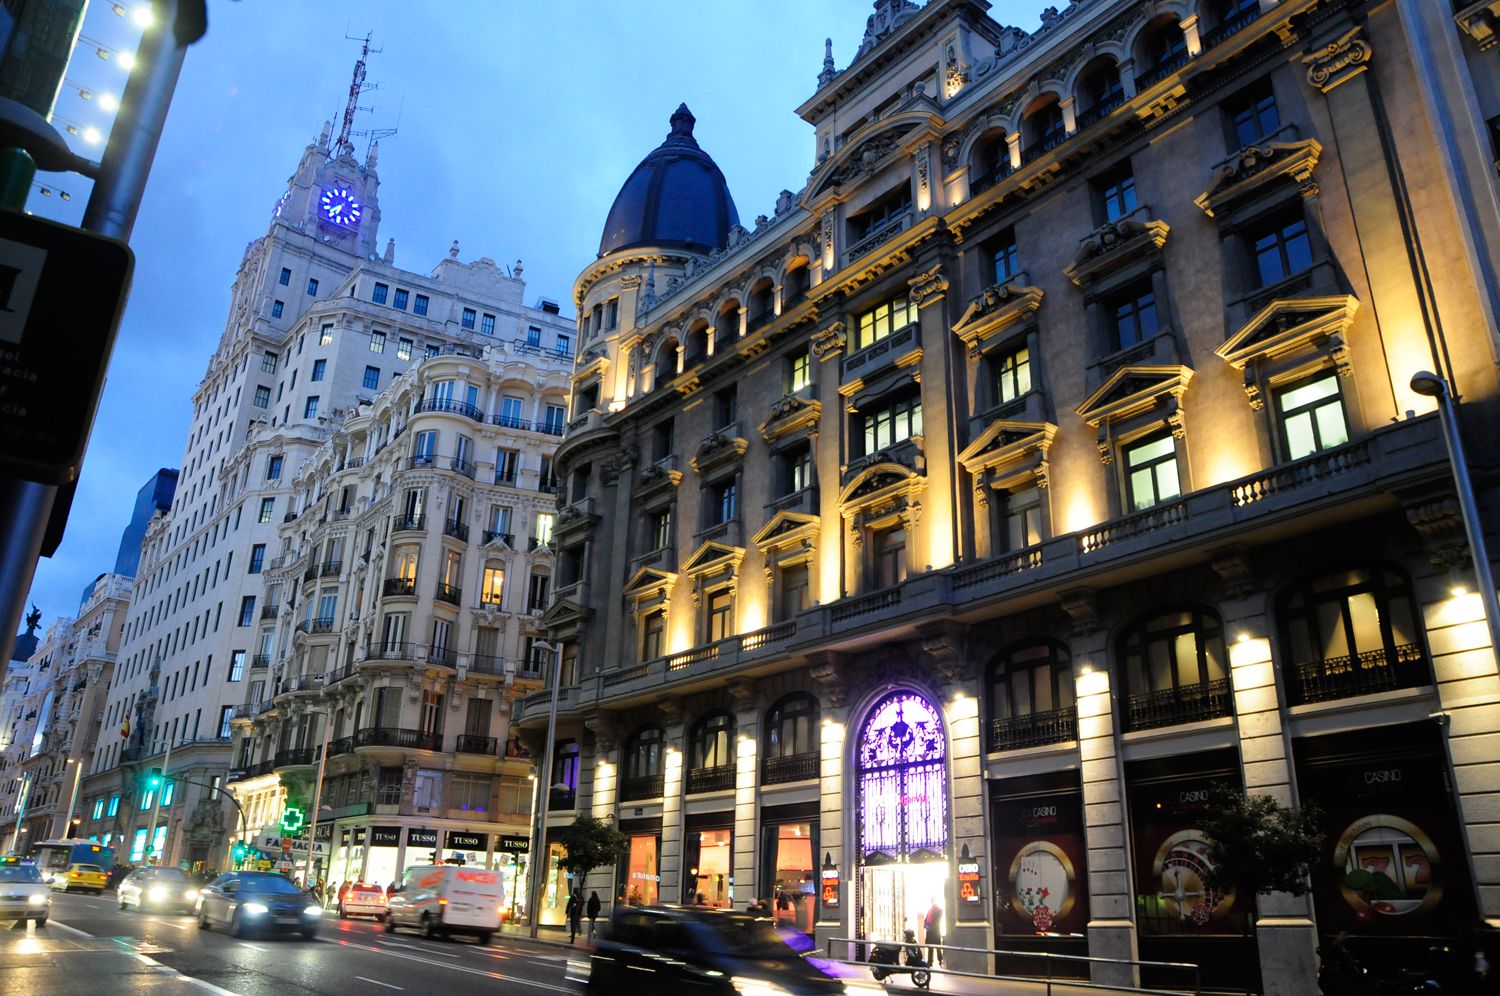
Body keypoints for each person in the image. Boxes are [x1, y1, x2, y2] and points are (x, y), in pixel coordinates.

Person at [924, 898, 944, 968]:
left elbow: (938, 921)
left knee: (938, 947)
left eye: (934, 901)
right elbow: (926, 920)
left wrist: (930, 928)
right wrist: (926, 926)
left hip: (936, 932)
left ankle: (940, 961)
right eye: (932, 901)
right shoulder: (930, 910)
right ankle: (930, 962)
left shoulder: (940, 910)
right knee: (930, 948)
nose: (933, 902)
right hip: (929, 932)